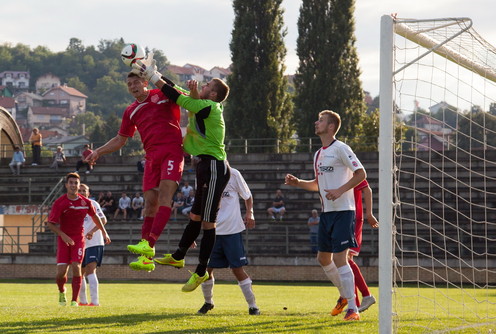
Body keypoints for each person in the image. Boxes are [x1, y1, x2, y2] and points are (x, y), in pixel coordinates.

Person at [134, 55, 231, 292]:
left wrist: (153, 77)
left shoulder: (209, 107)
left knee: (208, 224)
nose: (202, 85)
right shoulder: (202, 103)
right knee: (196, 218)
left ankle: (200, 272)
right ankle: (178, 256)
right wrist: (154, 73)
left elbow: (175, 96)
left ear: (213, 95)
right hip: (204, 167)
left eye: (207, 86)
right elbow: (175, 88)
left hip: (215, 167)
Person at [85, 70, 183, 273]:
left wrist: (155, 71)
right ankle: (146, 258)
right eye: (129, 84)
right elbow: (121, 139)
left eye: (136, 82)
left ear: (146, 82)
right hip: (151, 158)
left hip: (172, 151)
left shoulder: (162, 94)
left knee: (165, 196)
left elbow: (179, 94)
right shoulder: (131, 110)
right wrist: (99, 151)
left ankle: (149, 245)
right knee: (149, 205)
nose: (133, 86)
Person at [285, 110, 366, 321]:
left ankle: (353, 309)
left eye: (320, 120)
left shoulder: (341, 148)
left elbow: (361, 174)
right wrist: (298, 183)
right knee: (323, 258)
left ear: (331, 127)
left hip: (344, 212)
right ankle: (345, 296)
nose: (316, 122)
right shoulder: (319, 153)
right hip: (327, 213)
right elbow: (317, 185)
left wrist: (340, 190)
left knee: (340, 258)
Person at [195, 167, 260, 316]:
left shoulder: (233, 174)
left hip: (232, 231)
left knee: (237, 269)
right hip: (212, 231)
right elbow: (199, 204)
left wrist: (250, 212)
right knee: (206, 270)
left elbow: (247, 195)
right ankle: (208, 303)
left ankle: (253, 306)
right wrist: (193, 234)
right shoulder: (203, 174)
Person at [46, 173, 110, 307]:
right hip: (64, 239)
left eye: (76, 183)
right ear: (66, 185)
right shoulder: (60, 202)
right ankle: (62, 291)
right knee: (61, 272)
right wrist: (62, 235)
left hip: (78, 239)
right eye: (71, 183)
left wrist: (104, 233)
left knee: (77, 266)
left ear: (79, 185)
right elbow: (50, 223)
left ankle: (75, 300)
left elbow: (96, 217)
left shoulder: (85, 202)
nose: (74, 185)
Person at [348, 180, 379, 313]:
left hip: (353, 217)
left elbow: (367, 189)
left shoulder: (352, 170)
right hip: (343, 217)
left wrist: (369, 214)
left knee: (345, 260)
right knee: (344, 262)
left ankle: (366, 295)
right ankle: (353, 304)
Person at [78, 183, 107, 306]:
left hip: (94, 242)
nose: (82, 192)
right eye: (80, 190)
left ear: (88, 193)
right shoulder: (73, 206)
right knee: (79, 273)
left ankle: (95, 302)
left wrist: (91, 232)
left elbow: (103, 220)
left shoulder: (93, 204)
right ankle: (83, 302)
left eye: (84, 190)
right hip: (80, 243)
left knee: (90, 270)